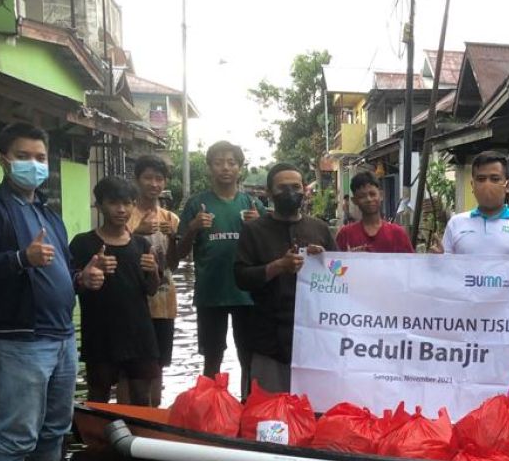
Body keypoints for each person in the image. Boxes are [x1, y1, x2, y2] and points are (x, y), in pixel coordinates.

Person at [0, 122, 105, 461]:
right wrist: (20, 258)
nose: (33, 164)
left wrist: (82, 278)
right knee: (15, 434)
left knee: (55, 429)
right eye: (23, 157)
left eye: (40, 158)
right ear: (3, 159)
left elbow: (57, 268)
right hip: (15, 340)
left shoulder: (48, 215)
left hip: (61, 337)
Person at [234, 163, 336, 394]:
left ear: (304, 190)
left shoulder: (320, 228)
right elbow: (241, 277)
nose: (290, 193)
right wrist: (277, 266)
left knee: (314, 411)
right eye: (282, 188)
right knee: (269, 414)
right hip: (268, 339)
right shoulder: (253, 231)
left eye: (295, 186)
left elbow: (340, 278)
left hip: (315, 339)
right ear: (269, 193)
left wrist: (325, 261)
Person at [175, 141, 263, 394]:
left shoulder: (252, 204)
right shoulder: (196, 204)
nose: (225, 168)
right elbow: (179, 254)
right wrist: (193, 228)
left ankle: (248, 407)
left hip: (247, 295)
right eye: (219, 162)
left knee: (249, 358)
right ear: (209, 168)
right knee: (211, 358)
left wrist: (257, 226)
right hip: (211, 294)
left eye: (231, 163)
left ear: (239, 168)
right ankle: (210, 411)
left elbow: (269, 250)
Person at [70, 176, 160, 405]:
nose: (121, 209)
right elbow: (71, 287)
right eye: (113, 203)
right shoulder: (83, 244)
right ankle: (97, 441)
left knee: (142, 398)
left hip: (139, 334)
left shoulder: (141, 244)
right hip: (101, 334)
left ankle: (139, 439)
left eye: (127, 203)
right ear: (99, 205)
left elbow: (151, 290)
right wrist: (89, 273)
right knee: (98, 396)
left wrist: (154, 271)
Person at [127, 154, 181, 406]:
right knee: (130, 365)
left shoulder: (171, 219)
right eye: (148, 178)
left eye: (159, 179)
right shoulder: (126, 214)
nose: (154, 184)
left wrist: (176, 238)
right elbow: (115, 247)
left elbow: (174, 263)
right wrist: (136, 232)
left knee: (159, 363)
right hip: (133, 303)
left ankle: (154, 411)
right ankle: (127, 414)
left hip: (164, 302)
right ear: (137, 180)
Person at [441, 151, 509, 255]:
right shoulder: (455, 224)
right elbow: (445, 267)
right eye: (481, 179)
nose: (487, 184)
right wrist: (435, 260)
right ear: (473, 185)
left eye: (495, 179)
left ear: (508, 186)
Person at [335, 170, 414, 252]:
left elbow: (410, 263)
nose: (369, 199)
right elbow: (333, 263)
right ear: (354, 200)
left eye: (372, 194)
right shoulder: (345, 235)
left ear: (381, 195)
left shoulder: (398, 234)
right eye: (362, 196)